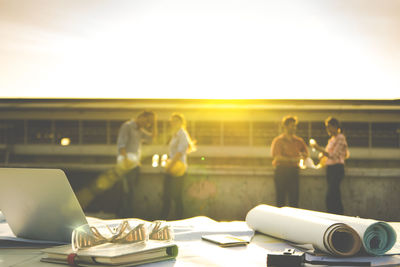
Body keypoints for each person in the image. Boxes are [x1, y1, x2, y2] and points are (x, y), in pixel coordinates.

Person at [116, 111, 157, 218]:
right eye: (147, 121)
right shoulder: (128, 126)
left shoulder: (140, 131)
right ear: (141, 117)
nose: (147, 124)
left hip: (134, 164)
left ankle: (127, 216)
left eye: (149, 123)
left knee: (131, 191)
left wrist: (155, 123)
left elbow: (152, 138)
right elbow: (121, 144)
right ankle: (124, 216)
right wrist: (125, 161)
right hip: (126, 162)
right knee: (126, 190)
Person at [310, 117, 349, 215]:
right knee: (333, 195)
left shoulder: (340, 137)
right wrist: (322, 153)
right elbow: (326, 154)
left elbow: (333, 155)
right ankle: (335, 216)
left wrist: (318, 148)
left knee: (332, 195)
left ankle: (337, 217)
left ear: (335, 127)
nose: (328, 130)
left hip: (336, 168)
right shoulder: (332, 139)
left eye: (329, 127)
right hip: (331, 168)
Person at [161, 113, 195, 220]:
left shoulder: (182, 134)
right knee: (167, 195)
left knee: (176, 196)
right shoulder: (175, 134)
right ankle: (165, 219)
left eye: (176, 120)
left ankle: (177, 219)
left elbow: (180, 152)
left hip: (178, 168)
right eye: (172, 121)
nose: (173, 122)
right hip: (173, 166)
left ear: (181, 122)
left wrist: (169, 165)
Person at [271, 115, 309, 208]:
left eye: (295, 126)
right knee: (280, 199)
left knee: (294, 199)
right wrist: (292, 159)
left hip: (294, 170)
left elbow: (306, 154)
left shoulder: (298, 141)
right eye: (292, 125)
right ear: (285, 126)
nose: (294, 128)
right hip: (281, 170)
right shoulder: (278, 141)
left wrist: (302, 157)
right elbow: (277, 157)